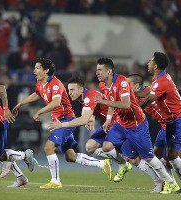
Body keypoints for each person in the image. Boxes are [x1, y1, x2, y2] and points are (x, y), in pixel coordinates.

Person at [48, 76, 169, 192]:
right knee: (90, 147)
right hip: (109, 125)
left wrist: (62, 125)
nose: (70, 93)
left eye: (72, 90)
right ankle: (122, 163)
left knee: (133, 159)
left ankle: (158, 180)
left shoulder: (90, 95)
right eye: (69, 90)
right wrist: (93, 117)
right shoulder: (85, 97)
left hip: (120, 125)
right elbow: (97, 108)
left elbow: (84, 118)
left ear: (80, 89)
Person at [12, 58, 112, 189]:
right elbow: (37, 94)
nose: (34, 71)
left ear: (46, 70)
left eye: (37, 68)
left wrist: (39, 112)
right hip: (59, 121)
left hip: (66, 120)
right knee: (70, 156)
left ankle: (55, 181)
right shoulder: (40, 83)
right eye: (35, 68)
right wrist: (21, 103)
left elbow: (56, 102)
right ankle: (102, 164)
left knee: (48, 147)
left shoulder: (55, 84)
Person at [94, 57, 179, 194]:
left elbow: (126, 104)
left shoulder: (121, 81)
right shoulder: (103, 85)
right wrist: (109, 119)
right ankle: (126, 166)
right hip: (121, 125)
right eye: (96, 70)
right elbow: (112, 102)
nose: (97, 72)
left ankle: (170, 182)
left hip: (136, 125)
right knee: (107, 147)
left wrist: (103, 102)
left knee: (149, 157)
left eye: (100, 70)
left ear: (109, 71)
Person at [127, 74, 181, 174]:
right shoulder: (136, 98)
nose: (126, 88)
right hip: (164, 126)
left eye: (128, 85)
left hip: (174, 123)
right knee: (160, 156)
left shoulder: (149, 90)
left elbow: (147, 95)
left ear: (136, 86)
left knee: (175, 157)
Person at [138, 52, 181, 194]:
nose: (148, 64)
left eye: (150, 61)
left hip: (180, 119)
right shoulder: (158, 78)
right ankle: (170, 183)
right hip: (170, 121)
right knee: (158, 154)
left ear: (156, 65)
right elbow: (149, 92)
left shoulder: (161, 81)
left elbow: (150, 98)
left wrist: (136, 109)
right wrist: (133, 94)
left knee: (172, 154)